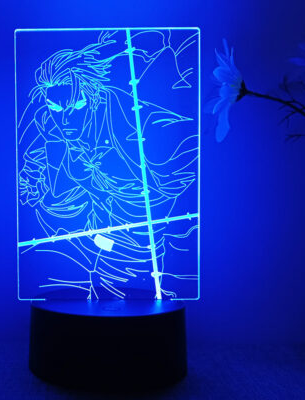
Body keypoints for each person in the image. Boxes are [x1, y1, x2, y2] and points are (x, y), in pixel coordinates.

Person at [18, 30, 198, 299]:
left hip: (139, 251)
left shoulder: (140, 130)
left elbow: (190, 149)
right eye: (55, 108)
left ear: (94, 98)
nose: (64, 120)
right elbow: (39, 162)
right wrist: (32, 178)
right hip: (90, 240)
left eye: (76, 106)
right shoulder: (50, 121)